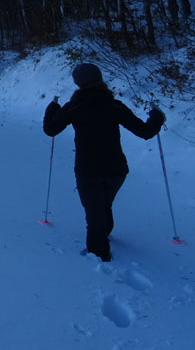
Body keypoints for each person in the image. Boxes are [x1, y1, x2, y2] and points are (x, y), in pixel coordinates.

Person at [43, 63, 165, 261]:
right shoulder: (114, 106)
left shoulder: (73, 107)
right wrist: (157, 117)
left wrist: (52, 108)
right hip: (116, 170)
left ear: (78, 83)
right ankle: (104, 234)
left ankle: (99, 259)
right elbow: (145, 132)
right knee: (104, 204)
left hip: (87, 170)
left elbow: (50, 129)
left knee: (94, 212)